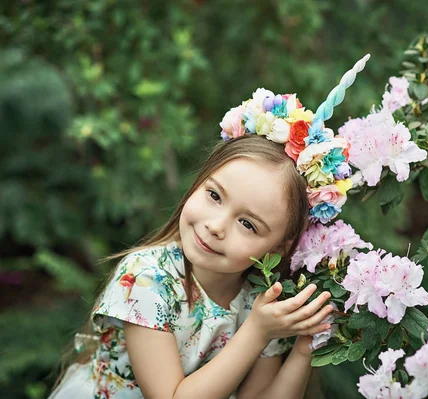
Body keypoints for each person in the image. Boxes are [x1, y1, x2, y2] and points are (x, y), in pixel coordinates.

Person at [50, 55, 369, 399]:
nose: (216, 226)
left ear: (277, 247)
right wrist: (257, 332)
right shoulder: (147, 277)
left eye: (247, 224)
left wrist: (308, 343)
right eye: (215, 195)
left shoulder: (258, 301)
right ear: (199, 181)